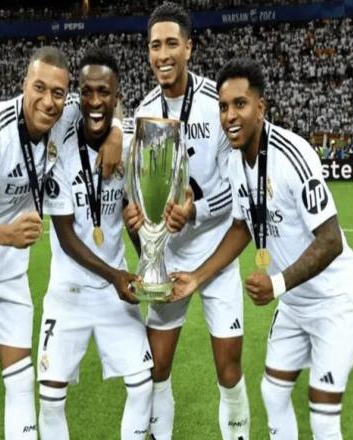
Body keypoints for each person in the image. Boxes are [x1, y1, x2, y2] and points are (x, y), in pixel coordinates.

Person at [172, 57, 353, 440]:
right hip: (294, 304)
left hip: (333, 301)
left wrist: (276, 284)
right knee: (274, 394)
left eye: (240, 104)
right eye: (223, 107)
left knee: (323, 416)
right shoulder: (235, 162)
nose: (230, 115)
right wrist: (196, 277)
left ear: (260, 108)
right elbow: (242, 226)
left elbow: (331, 239)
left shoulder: (293, 155)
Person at [0, 46, 123, 440]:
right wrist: (8, 235)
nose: (48, 101)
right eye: (39, 88)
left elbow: (103, 106)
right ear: (24, 84)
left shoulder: (65, 113)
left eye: (58, 92)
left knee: (21, 381)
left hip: (11, 269)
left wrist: (118, 132)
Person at [124, 3, 250, 439]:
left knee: (228, 368)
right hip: (168, 255)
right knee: (156, 368)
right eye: (155, 46)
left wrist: (195, 210)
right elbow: (134, 187)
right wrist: (138, 218)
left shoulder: (218, 105)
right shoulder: (143, 112)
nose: (163, 55)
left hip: (215, 253)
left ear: (189, 48)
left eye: (171, 44)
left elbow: (237, 190)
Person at [37, 47, 153, 440]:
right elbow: (66, 235)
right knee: (50, 400)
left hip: (112, 294)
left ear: (118, 97)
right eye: (86, 91)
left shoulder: (131, 142)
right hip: (68, 290)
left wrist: (149, 259)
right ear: (77, 95)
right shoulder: (60, 138)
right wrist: (115, 274)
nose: (94, 100)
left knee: (142, 386)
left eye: (104, 92)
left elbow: (133, 215)